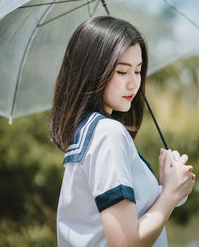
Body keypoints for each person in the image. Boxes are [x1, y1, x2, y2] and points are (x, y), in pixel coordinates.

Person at [49, 16, 195, 247]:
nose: (133, 84)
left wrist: (168, 185)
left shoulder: (90, 132)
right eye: (121, 71)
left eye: (137, 71)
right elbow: (126, 242)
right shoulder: (107, 133)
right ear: (92, 72)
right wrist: (171, 195)